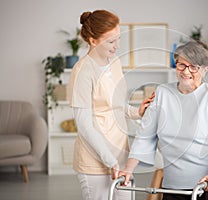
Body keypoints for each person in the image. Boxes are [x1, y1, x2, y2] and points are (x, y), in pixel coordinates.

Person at [118, 41, 208, 200]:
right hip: (174, 185)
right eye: (181, 65)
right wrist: (128, 170)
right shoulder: (162, 93)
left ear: (204, 70)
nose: (186, 71)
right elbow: (145, 136)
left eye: (194, 67)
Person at [67, 10, 154, 200]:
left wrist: (136, 111)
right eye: (111, 41)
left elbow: (116, 104)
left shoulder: (114, 62)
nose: (117, 46)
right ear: (93, 41)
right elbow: (84, 125)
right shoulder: (82, 72)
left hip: (120, 155)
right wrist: (109, 160)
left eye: (118, 38)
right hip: (95, 161)